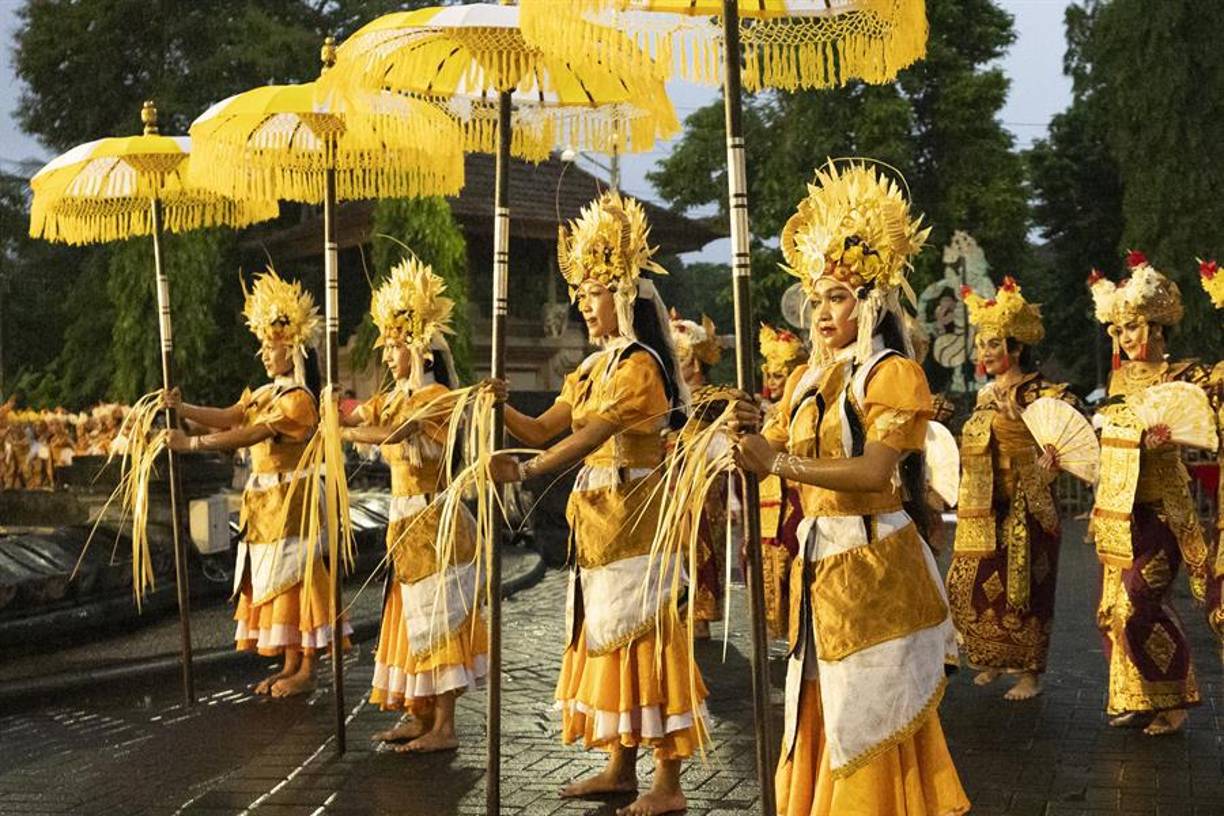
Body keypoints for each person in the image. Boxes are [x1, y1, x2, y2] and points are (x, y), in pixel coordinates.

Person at [731, 161, 969, 816]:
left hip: (877, 569)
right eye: (817, 298)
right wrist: (735, 437)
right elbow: (769, 447)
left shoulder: (892, 374)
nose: (823, 312)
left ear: (870, 300)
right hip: (820, 569)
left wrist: (776, 466)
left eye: (837, 295)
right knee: (820, 708)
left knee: (870, 717)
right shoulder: (810, 381)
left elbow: (872, 473)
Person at [487, 191, 706, 816]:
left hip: (639, 523)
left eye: (596, 290)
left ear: (629, 294)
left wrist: (529, 470)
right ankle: (618, 766)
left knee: (651, 642)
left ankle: (668, 784)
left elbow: (590, 436)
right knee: (608, 637)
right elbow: (543, 427)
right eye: (579, 290)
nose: (583, 302)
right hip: (601, 528)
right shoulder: (589, 369)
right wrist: (495, 405)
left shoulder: (640, 367)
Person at [166, 267, 347, 697]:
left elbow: (253, 434)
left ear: (296, 350)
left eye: (273, 347)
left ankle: (307, 668)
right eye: (264, 346)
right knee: (275, 581)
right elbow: (233, 417)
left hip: (294, 499)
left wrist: (191, 444)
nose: (265, 354)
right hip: (265, 503)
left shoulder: (301, 400)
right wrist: (183, 406)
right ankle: (289, 663)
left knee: (298, 579)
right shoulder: (266, 393)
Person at [341, 257, 486, 753]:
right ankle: (417, 713)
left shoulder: (440, 397)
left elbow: (396, 433)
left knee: (441, 617)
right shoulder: (393, 397)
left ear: (420, 347)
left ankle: (444, 727)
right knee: (408, 618)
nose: (387, 356)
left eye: (395, 346)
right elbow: (362, 411)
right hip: (405, 523)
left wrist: (346, 429)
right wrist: (330, 406)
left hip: (437, 520)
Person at [1087, 252, 1215, 734]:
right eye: (1119, 331)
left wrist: (1172, 438)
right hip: (1119, 509)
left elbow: (1203, 424)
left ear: (1157, 328)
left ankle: (1176, 699)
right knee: (1110, 610)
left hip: (1162, 510)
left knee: (1141, 601)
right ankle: (1138, 696)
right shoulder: (1119, 379)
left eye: (1134, 328)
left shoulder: (1183, 376)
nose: (1126, 339)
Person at [945, 277, 1078, 701]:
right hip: (986, 504)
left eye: (994, 345)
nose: (985, 353)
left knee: (1026, 588)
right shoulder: (986, 395)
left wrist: (1026, 430)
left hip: (1027, 502)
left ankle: (1030, 672)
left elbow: (1062, 443)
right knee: (981, 580)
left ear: (1016, 348)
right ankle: (996, 657)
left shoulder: (1042, 391)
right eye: (981, 345)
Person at [669, 310, 726, 639]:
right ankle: (677, 607)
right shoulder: (673, 399)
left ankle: (700, 613)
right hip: (672, 480)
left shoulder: (713, 398)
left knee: (699, 544)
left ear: (694, 362)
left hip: (702, 480)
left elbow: (720, 441)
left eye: (681, 358)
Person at [756, 323, 807, 639]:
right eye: (769, 376)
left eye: (779, 376)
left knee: (793, 560)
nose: (772, 383)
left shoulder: (799, 409)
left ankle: (798, 634)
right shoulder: (764, 412)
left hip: (795, 495)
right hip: (767, 499)